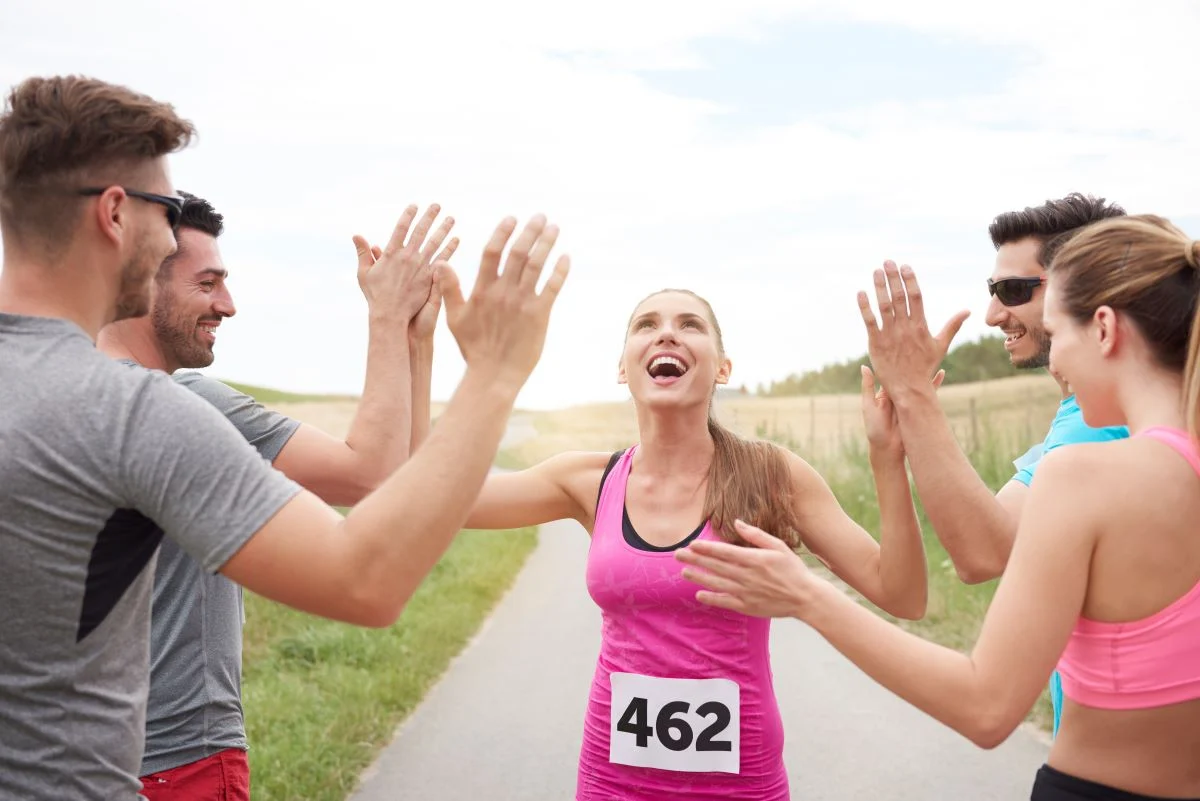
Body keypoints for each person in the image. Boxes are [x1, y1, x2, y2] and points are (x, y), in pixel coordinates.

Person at [0, 74, 568, 800]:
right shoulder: (128, 411)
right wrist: (493, 373)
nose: (169, 234)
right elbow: (363, 580)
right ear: (114, 212)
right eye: (166, 211)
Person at [677, 214, 1200, 800]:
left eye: (1058, 334)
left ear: (1103, 329)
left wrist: (806, 596)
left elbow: (986, 706)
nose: (1056, 366)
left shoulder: (1081, 477)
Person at [443, 287, 930, 800]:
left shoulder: (772, 475)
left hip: (741, 787)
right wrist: (411, 342)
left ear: (722, 368)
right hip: (611, 784)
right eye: (646, 324)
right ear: (622, 368)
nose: (667, 334)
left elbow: (901, 594)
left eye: (690, 324)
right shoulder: (587, 481)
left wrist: (886, 462)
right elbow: (430, 499)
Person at [95, 192, 456, 798]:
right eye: (207, 283)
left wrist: (414, 343)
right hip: (178, 761)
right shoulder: (185, 403)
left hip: (73, 761)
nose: (228, 305)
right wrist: (388, 319)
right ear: (142, 284)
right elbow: (371, 477)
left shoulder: (65, 390)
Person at [856, 193, 1129, 736]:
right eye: (992, 290)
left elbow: (984, 551)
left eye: (1014, 291)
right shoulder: (1087, 413)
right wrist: (899, 434)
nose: (993, 314)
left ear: (1087, 288)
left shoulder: (1108, 419)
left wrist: (912, 392)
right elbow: (994, 532)